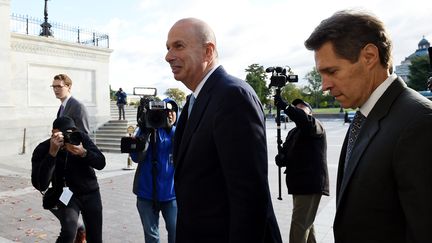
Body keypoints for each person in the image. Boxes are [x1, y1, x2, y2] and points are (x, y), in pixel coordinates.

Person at [305, 9, 432, 243]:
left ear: (369, 56)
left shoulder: (421, 122)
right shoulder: (366, 114)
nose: (324, 86)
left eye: (332, 71)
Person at [165, 18, 282, 242]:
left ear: (208, 51)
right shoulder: (195, 100)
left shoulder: (233, 96)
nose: (168, 56)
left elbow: (249, 200)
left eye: (178, 46)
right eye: (168, 47)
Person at [31, 116, 106, 243]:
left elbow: (101, 163)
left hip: (90, 193)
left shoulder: (81, 138)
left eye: (72, 132)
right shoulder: (43, 148)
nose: (68, 136)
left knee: (95, 236)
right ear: (54, 132)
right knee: (69, 233)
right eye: (65, 132)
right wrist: (52, 153)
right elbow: (40, 184)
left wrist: (84, 153)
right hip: (66, 195)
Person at [274, 98, 329, 243]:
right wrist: (281, 158)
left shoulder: (315, 125)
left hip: (310, 183)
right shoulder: (293, 132)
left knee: (299, 226)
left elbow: (304, 120)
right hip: (298, 184)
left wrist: (287, 107)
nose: (298, 108)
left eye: (302, 107)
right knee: (306, 224)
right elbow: (286, 156)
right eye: (296, 107)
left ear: (310, 112)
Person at [129, 98, 178, 243]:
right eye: (165, 112)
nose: (169, 115)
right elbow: (136, 157)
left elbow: (184, 152)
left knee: (176, 233)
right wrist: (145, 132)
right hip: (146, 194)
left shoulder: (177, 132)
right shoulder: (145, 128)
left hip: (172, 194)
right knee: (152, 237)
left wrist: (171, 129)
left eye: (171, 111)